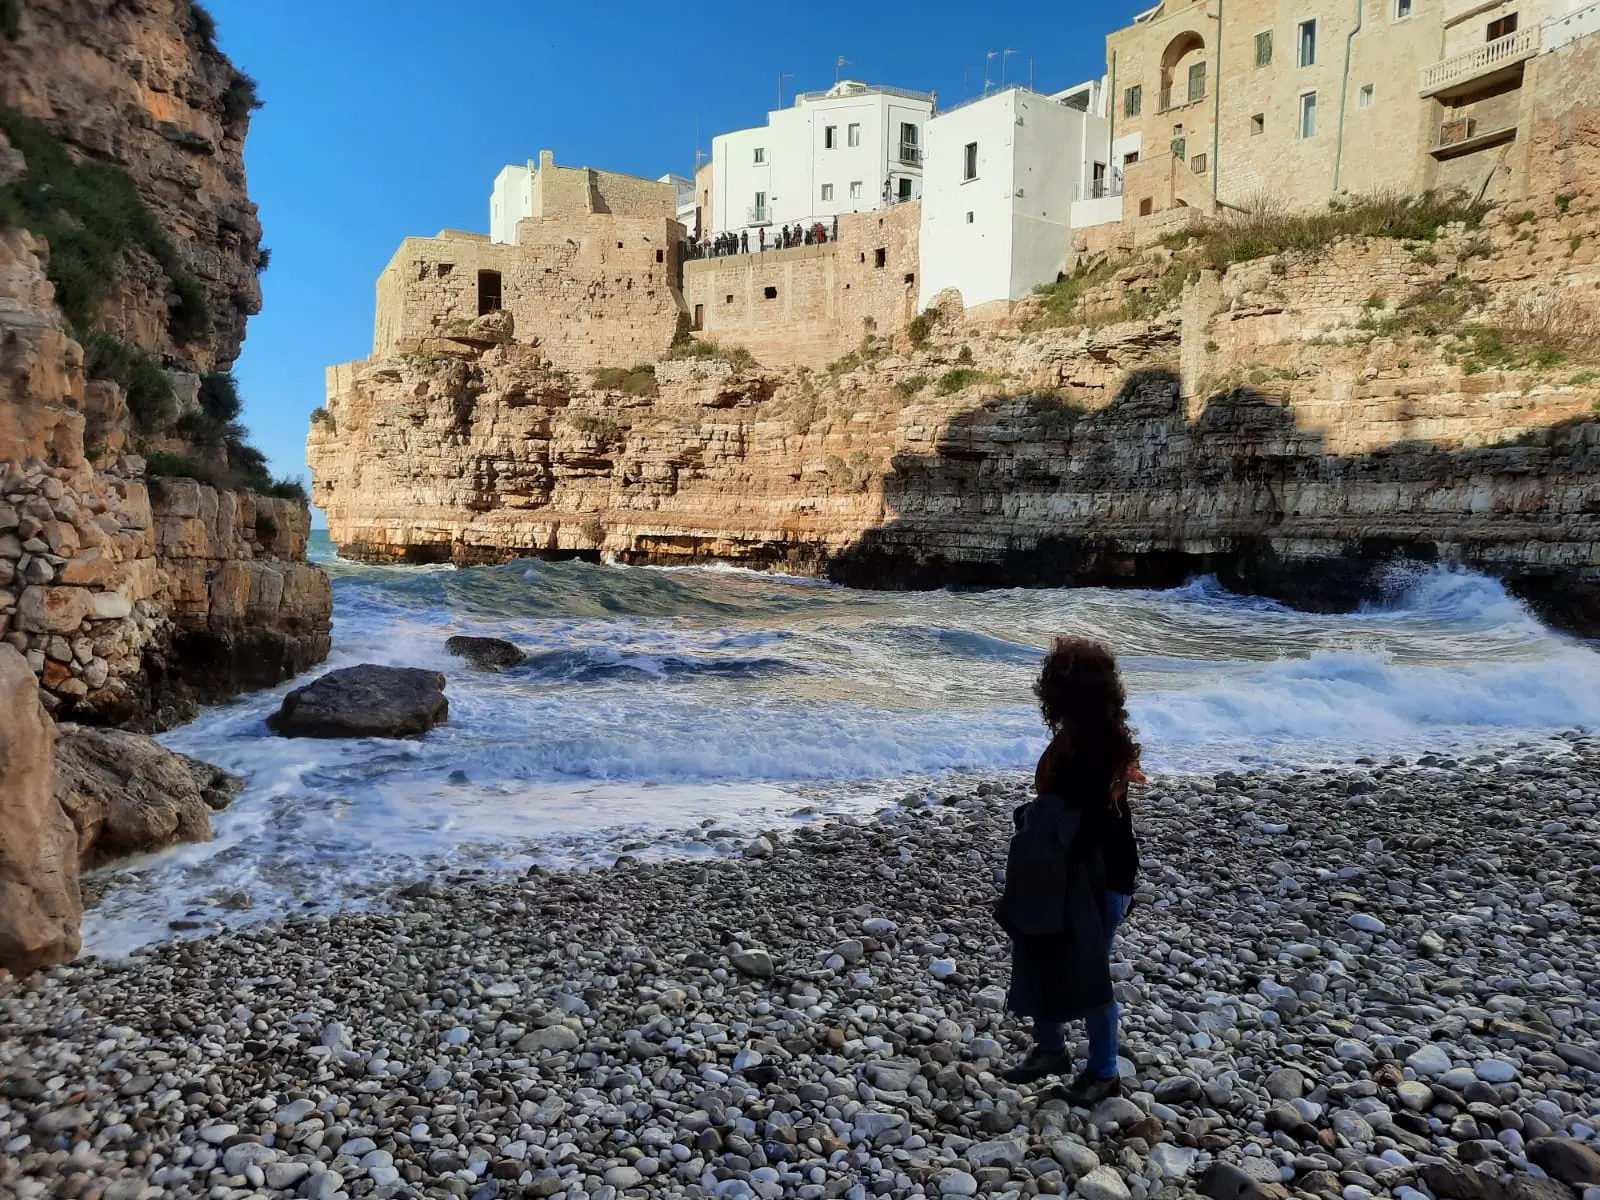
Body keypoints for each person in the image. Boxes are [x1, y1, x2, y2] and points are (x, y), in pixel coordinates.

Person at [995, 636, 1144, 1100]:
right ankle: (1051, 1048)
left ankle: (1104, 1072)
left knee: (1089, 972)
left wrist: (1034, 823)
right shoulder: (1086, 737)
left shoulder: (1094, 749)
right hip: (1073, 870)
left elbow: (1086, 823)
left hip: (1098, 876)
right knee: (1044, 950)